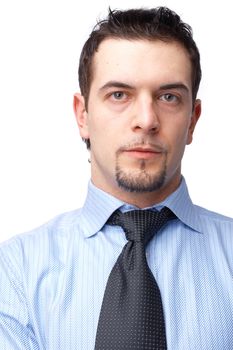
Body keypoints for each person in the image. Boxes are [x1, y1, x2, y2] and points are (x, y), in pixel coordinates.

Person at [0, 6, 232, 350]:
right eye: (119, 95)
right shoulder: (15, 270)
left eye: (169, 97)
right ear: (83, 115)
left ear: (193, 120)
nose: (146, 119)